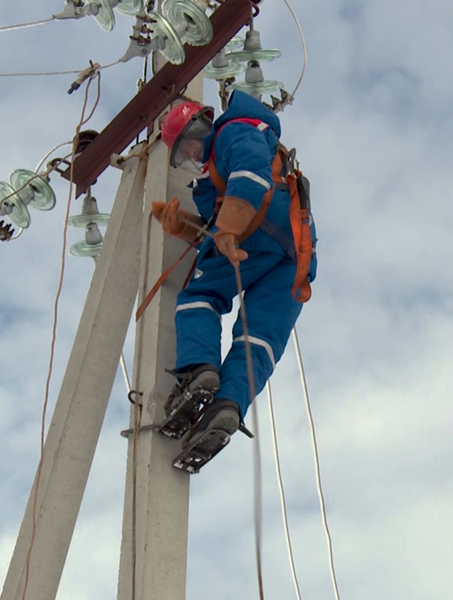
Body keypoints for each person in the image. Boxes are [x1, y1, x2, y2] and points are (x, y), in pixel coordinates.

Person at [151, 90, 317, 471]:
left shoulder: (231, 133)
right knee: (258, 340)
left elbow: (251, 176)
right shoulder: (216, 177)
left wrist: (227, 226)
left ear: (201, 127)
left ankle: (199, 368)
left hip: (261, 230)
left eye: (189, 145)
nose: (192, 155)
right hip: (296, 252)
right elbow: (220, 231)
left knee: (199, 296)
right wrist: (184, 228)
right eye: (184, 155)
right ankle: (227, 405)